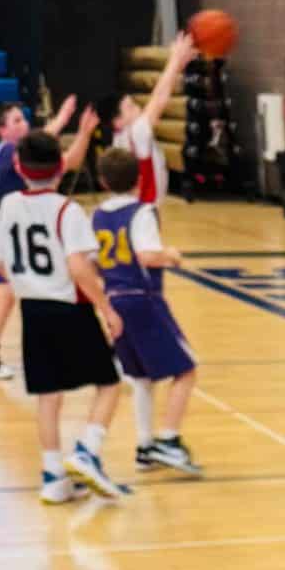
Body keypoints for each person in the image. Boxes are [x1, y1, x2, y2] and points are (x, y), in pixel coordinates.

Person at [0, 127, 128, 504]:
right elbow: (79, 268)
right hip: (68, 307)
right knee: (109, 383)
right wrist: (107, 308)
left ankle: (53, 476)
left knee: (48, 396)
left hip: (32, 310)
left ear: (19, 167)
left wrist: (29, 280)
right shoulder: (68, 210)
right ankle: (87, 450)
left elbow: (0, 263)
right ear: (60, 167)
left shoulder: (9, 206)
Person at [0, 94, 98, 381]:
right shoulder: (6, 151)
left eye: (23, 119)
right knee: (5, 291)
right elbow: (42, 141)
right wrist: (63, 118)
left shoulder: (23, 154)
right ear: (2, 130)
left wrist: (83, 132)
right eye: (16, 121)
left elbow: (68, 161)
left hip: (6, 225)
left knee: (22, 290)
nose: (24, 124)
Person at [92, 144, 202, 474]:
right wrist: (171, 255)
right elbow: (147, 255)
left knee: (140, 378)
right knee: (186, 369)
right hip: (143, 298)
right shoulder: (141, 213)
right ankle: (168, 439)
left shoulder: (97, 215)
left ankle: (144, 446)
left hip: (115, 299)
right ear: (139, 179)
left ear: (103, 181)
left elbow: (93, 260)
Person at [105, 31, 196, 209]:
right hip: (142, 208)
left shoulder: (121, 135)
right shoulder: (136, 131)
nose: (137, 108)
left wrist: (177, 65)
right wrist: (175, 60)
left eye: (133, 103)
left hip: (135, 206)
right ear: (118, 122)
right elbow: (159, 98)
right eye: (130, 108)